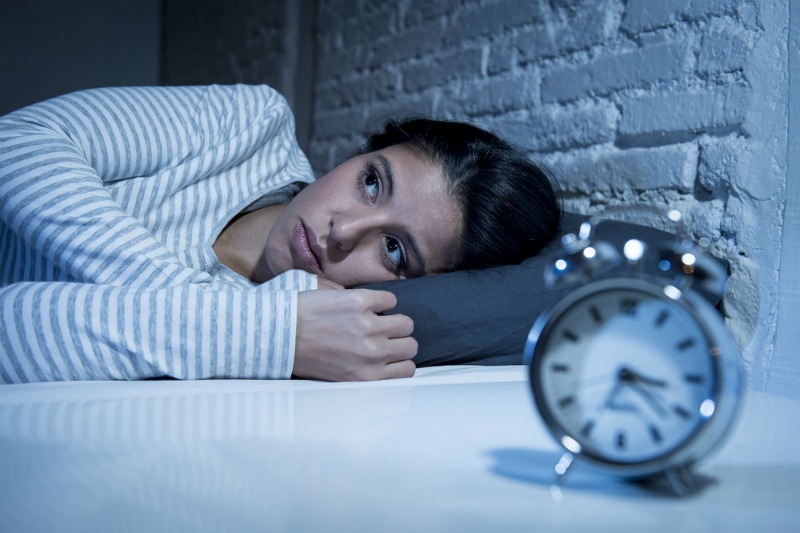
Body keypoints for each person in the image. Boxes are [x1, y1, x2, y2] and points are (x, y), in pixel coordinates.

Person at [0, 84, 560, 384]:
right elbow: (20, 140)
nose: (344, 231)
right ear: (358, 154)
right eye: (371, 182)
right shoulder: (248, 126)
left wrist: (268, 340)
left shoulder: (313, 345)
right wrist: (263, 331)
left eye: (394, 250)